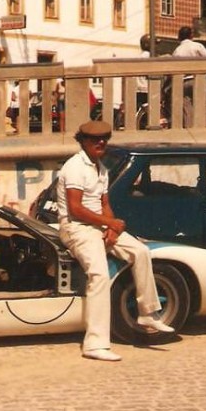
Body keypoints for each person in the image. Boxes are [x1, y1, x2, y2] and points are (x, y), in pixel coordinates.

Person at [57, 120, 173, 362]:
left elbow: (105, 204)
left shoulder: (101, 168)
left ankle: (148, 313)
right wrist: (109, 223)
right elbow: (75, 209)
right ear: (83, 141)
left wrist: (111, 229)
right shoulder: (74, 167)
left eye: (105, 139)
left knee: (140, 252)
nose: (101, 143)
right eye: (95, 139)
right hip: (76, 228)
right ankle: (95, 343)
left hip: (97, 224)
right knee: (99, 275)